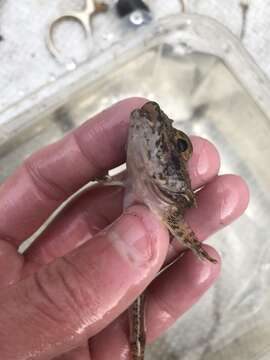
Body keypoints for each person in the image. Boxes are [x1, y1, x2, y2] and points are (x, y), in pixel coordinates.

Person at [0, 98, 249, 360]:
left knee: (137, 321)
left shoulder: (168, 210)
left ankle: (137, 349)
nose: (153, 112)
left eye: (180, 145)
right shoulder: (135, 178)